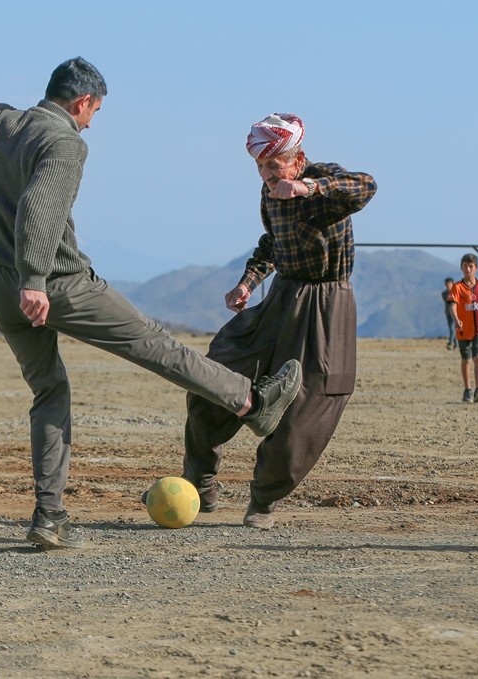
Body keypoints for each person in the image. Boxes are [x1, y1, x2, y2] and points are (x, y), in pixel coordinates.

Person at [0, 50, 302, 549]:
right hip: (55, 283)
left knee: (49, 391)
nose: (92, 125)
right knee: (153, 344)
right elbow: (39, 206)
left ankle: (49, 517)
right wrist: (35, 279)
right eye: (95, 113)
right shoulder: (63, 142)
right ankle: (251, 401)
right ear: (83, 102)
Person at [162, 113, 376, 530]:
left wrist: (307, 188)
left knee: (308, 406)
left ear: (297, 160)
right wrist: (246, 283)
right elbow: (271, 244)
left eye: (274, 164)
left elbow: (366, 186)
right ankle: (200, 480)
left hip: (327, 304)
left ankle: (263, 501)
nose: (266, 173)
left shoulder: (324, 180)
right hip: (281, 297)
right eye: (260, 165)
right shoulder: (268, 193)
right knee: (217, 371)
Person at [447, 254, 478, 403]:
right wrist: (456, 319)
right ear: (461, 268)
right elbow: (452, 306)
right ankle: (467, 390)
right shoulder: (457, 287)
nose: (468, 269)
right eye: (465, 266)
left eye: (471, 266)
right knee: (466, 359)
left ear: (476, 268)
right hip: (463, 329)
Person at [442, 277, 458, 350]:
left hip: (455, 313)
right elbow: (448, 300)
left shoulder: (456, 292)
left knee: (453, 329)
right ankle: (456, 344)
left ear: (452, 283)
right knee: (451, 329)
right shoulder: (444, 293)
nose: (448, 285)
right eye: (446, 283)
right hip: (448, 313)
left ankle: (450, 343)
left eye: (449, 283)